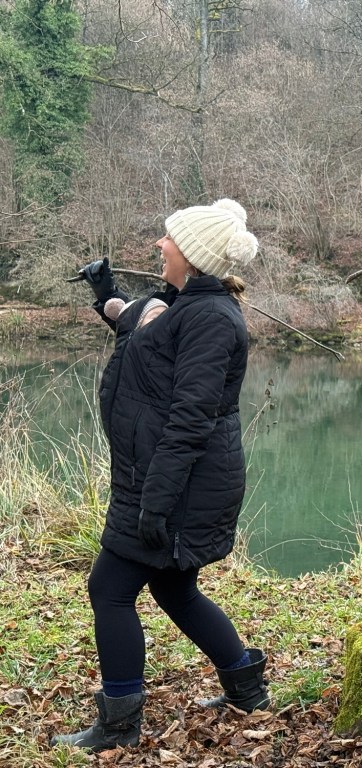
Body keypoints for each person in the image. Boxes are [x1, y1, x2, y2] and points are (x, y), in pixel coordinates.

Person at [52, 199, 269, 752]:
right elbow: (142, 327)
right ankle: (246, 688)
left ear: (191, 255)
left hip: (178, 484)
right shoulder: (182, 304)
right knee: (174, 587)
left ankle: (119, 724)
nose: (159, 244)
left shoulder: (210, 320)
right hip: (161, 478)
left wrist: (156, 502)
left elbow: (192, 418)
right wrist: (106, 293)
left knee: (109, 589)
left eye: (169, 238)